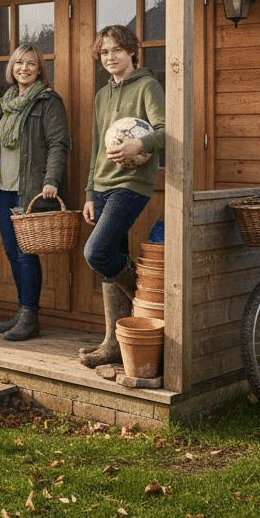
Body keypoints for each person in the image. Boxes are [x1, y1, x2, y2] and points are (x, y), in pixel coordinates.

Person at [79, 24, 166, 368]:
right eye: (104, 52)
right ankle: (113, 343)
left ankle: (141, 300)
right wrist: (88, 191)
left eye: (116, 50)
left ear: (131, 51)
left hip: (131, 185)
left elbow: (166, 130)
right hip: (101, 185)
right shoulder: (103, 96)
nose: (110, 57)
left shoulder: (148, 86)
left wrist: (139, 144)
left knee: (97, 252)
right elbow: (97, 147)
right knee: (106, 265)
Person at [0, 43, 70, 341]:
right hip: (4, 189)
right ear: (11, 68)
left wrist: (51, 179)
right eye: (19, 63)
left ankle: (31, 317)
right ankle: (22, 310)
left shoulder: (48, 101)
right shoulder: (6, 102)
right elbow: (6, 147)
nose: (24, 68)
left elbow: (59, 144)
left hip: (30, 189)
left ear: (40, 69)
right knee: (10, 251)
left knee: (25, 254)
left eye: (31, 64)